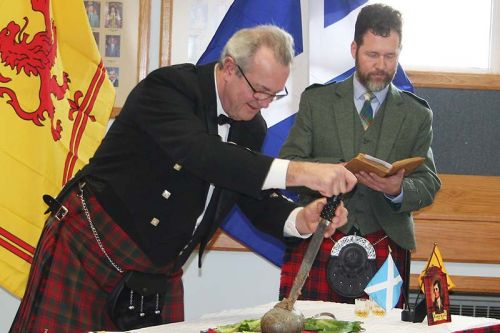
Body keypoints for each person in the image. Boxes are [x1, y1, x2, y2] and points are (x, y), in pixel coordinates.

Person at [10, 25, 357, 332]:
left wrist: (302, 218)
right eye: (259, 90)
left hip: (158, 272)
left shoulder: (251, 127)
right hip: (91, 245)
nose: (264, 103)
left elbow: (252, 196)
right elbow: (202, 154)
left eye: (274, 94)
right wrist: (302, 171)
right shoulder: (169, 89)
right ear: (230, 68)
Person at [279, 4, 441, 307]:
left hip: (386, 243)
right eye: (372, 55)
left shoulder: (417, 114)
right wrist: (331, 173)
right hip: (322, 235)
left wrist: (398, 190)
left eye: (390, 56)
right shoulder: (317, 101)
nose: (381, 65)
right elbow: (290, 167)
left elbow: (429, 183)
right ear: (354, 49)